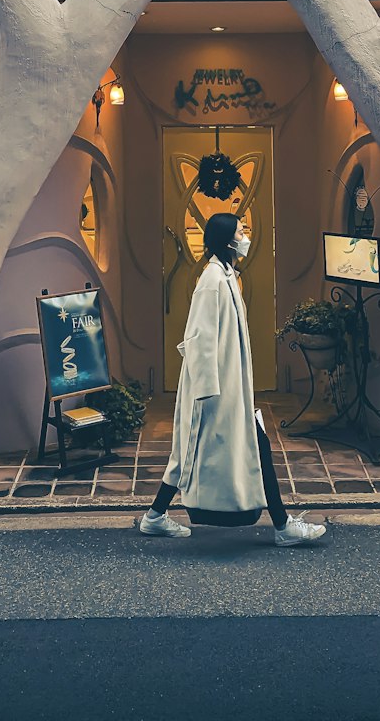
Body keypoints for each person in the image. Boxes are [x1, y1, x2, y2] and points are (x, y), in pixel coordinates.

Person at [140, 211, 326, 546]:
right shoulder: (212, 282)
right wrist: (210, 394)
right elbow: (200, 340)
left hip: (225, 389)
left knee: (197, 453)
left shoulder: (224, 275)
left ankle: (155, 517)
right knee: (209, 451)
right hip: (214, 391)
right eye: (242, 231)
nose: (246, 236)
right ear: (228, 240)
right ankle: (283, 527)